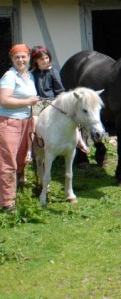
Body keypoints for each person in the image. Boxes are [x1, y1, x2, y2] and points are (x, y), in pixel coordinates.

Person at [0, 44, 39, 213]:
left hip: (26, 121)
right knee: (8, 162)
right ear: (12, 59)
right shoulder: (9, 76)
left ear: (29, 57)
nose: (21, 60)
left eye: (23, 57)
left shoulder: (29, 76)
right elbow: (4, 100)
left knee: (22, 159)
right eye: (17, 57)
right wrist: (28, 102)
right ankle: (8, 203)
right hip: (9, 122)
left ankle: (16, 190)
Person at [30, 46, 89, 155]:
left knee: (71, 117)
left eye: (47, 58)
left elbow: (60, 90)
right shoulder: (32, 74)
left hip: (53, 101)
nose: (45, 61)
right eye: (42, 59)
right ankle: (32, 148)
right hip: (38, 102)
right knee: (34, 121)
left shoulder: (53, 71)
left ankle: (80, 141)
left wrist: (61, 101)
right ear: (35, 60)